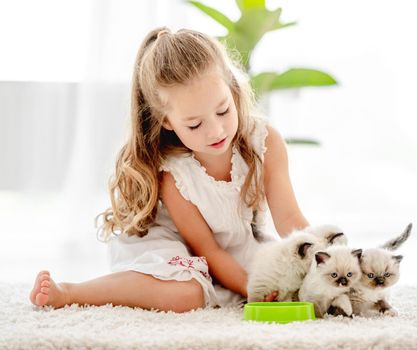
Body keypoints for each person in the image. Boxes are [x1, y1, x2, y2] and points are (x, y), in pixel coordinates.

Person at [29, 27, 310, 312]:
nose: (216, 130)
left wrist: (324, 261)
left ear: (232, 88)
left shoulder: (265, 141)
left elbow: (289, 218)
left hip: (231, 248)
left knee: (287, 281)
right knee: (187, 294)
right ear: (166, 121)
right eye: (194, 124)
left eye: (223, 110)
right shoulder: (173, 174)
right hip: (171, 245)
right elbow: (207, 250)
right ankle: (71, 292)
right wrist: (253, 289)